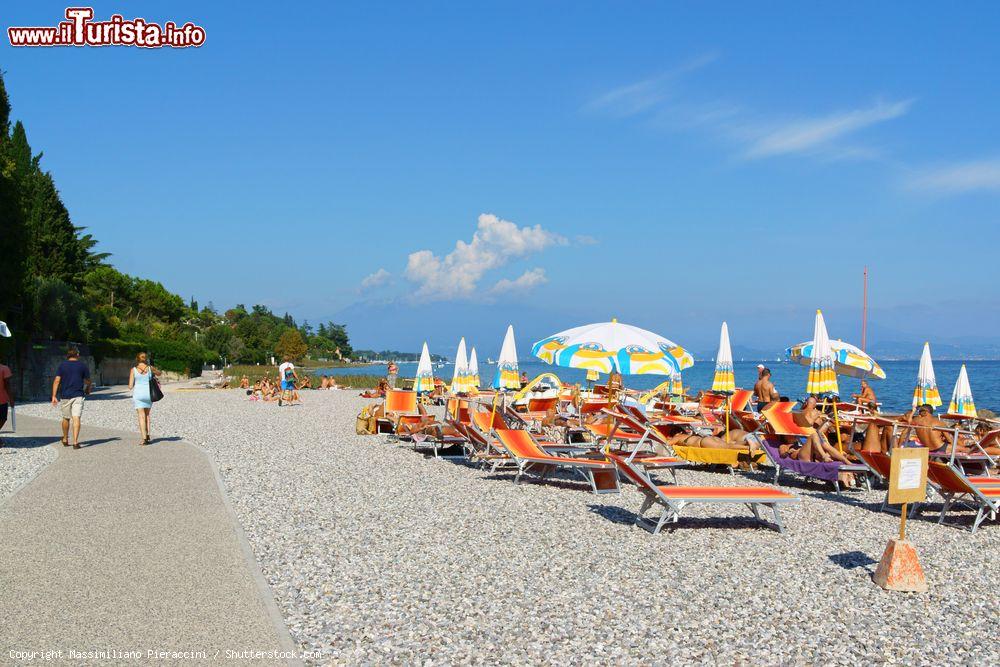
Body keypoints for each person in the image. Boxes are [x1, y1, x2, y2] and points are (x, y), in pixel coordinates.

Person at [51, 347, 92, 449]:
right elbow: (88, 381)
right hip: (78, 394)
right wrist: (88, 388)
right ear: (77, 354)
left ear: (68, 355)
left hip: (65, 395)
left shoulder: (62, 366)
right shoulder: (82, 366)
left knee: (66, 418)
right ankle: (75, 442)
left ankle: (65, 438)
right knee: (76, 417)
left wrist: (54, 396)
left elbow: (57, 380)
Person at [128, 352, 160, 445]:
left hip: (138, 395)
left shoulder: (133, 370)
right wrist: (154, 371)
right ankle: (148, 434)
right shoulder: (150, 368)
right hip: (148, 394)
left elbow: (130, 386)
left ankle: (144, 439)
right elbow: (159, 373)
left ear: (137, 359)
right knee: (147, 415)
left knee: (141, 416)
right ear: (145, 359)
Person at [0, 360, 12, 447]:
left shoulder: (4, 368)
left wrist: (11, 398)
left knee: (3, 418)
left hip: (2, 399)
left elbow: (7, 385)